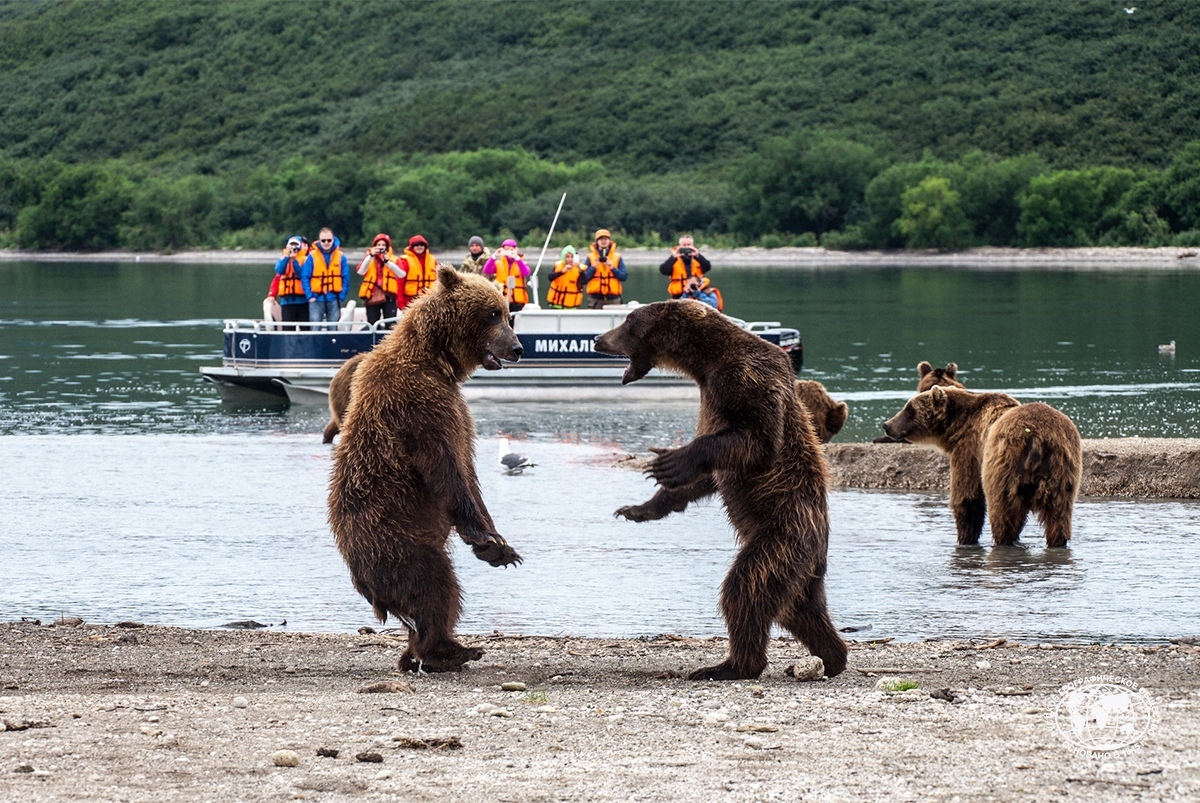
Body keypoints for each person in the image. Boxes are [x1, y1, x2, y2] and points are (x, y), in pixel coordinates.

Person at [301, 227, 350, 326]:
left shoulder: (341, 256)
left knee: (333, 328)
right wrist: (310, 296)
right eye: (323, 240)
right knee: (315, 328)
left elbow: (346, 278)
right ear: (319, 240)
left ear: (333, 239)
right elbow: (305, 277)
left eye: (329, 240)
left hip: (334, 299)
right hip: (316, 299)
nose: (326, 243)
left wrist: (342, 296)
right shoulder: (312, 256)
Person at [356, 233, 407, 326]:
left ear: (387, 247)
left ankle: (390, 340)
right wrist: (370, 256)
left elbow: (402, 274)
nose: (381, 247)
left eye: (383, 245)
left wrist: (388, 262)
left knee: (390, 324)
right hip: (372, 295)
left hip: (389, 296)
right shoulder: (369, 258)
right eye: (378, 245)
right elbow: (360, 271)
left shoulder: (394, 259)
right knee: (372, 322)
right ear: (374, 246)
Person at [267, 235, 310, 330]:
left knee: (305, 327)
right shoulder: (282, 259)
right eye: (291, 245)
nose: (293, 248)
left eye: (296, 245)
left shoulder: (305, 260)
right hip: (287, 302)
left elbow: (302, 274)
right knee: (288, 328)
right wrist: (287, 257)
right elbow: (279, 270)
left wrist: (294, 261)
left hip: (303, 301)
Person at [580, 228, 627, 309]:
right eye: (601, 239)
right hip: (595, 299)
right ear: (597, 242)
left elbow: (624, 276)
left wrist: (612, 268)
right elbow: (583, 279)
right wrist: (593, 267)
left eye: (606, 239)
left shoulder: (617, 257)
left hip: (613, 299)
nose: (603, 241)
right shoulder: (590, 257)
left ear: (609, 241)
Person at [482, 238, 531, 313]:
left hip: (517, 301)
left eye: (511, 249)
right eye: (506, 250)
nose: (509, 252)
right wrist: (494, 256)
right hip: (502, 298)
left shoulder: (521, 262)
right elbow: (486, 270)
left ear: (516, 249)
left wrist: (517, 258)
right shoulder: (498, 263)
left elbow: (526, 272)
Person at [660, 234, 712, 299]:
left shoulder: (698, 258)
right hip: (679, 295)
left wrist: (698, 255)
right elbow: (664, 271)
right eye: (684, 245)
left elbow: (707, 267)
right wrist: (673, 257)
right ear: (679, 246)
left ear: (693, 246)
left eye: (689, 245)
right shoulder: (674, 259)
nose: (687, 247)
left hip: (697, 293)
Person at [399, 234, 440, 307]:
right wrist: (400, 302)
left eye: (422, 245)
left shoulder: (433, 260)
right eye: (416, 245)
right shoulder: (405, 261)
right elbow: (400, 282)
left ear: (425, 247)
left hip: (429, 298)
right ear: (412, 247)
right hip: (410, 299)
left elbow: (438, 280)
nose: (419, 247)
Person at [546, 245, 584, 309]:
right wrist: (562, 272)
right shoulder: (558, 266)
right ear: (563, 257)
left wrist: (580, 269)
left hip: (571, 308)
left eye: (572, 257)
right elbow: (550, 277)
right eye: (567, 257)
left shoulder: (578, 269)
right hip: (555, 306)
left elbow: (584, 281)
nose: (570, 259)